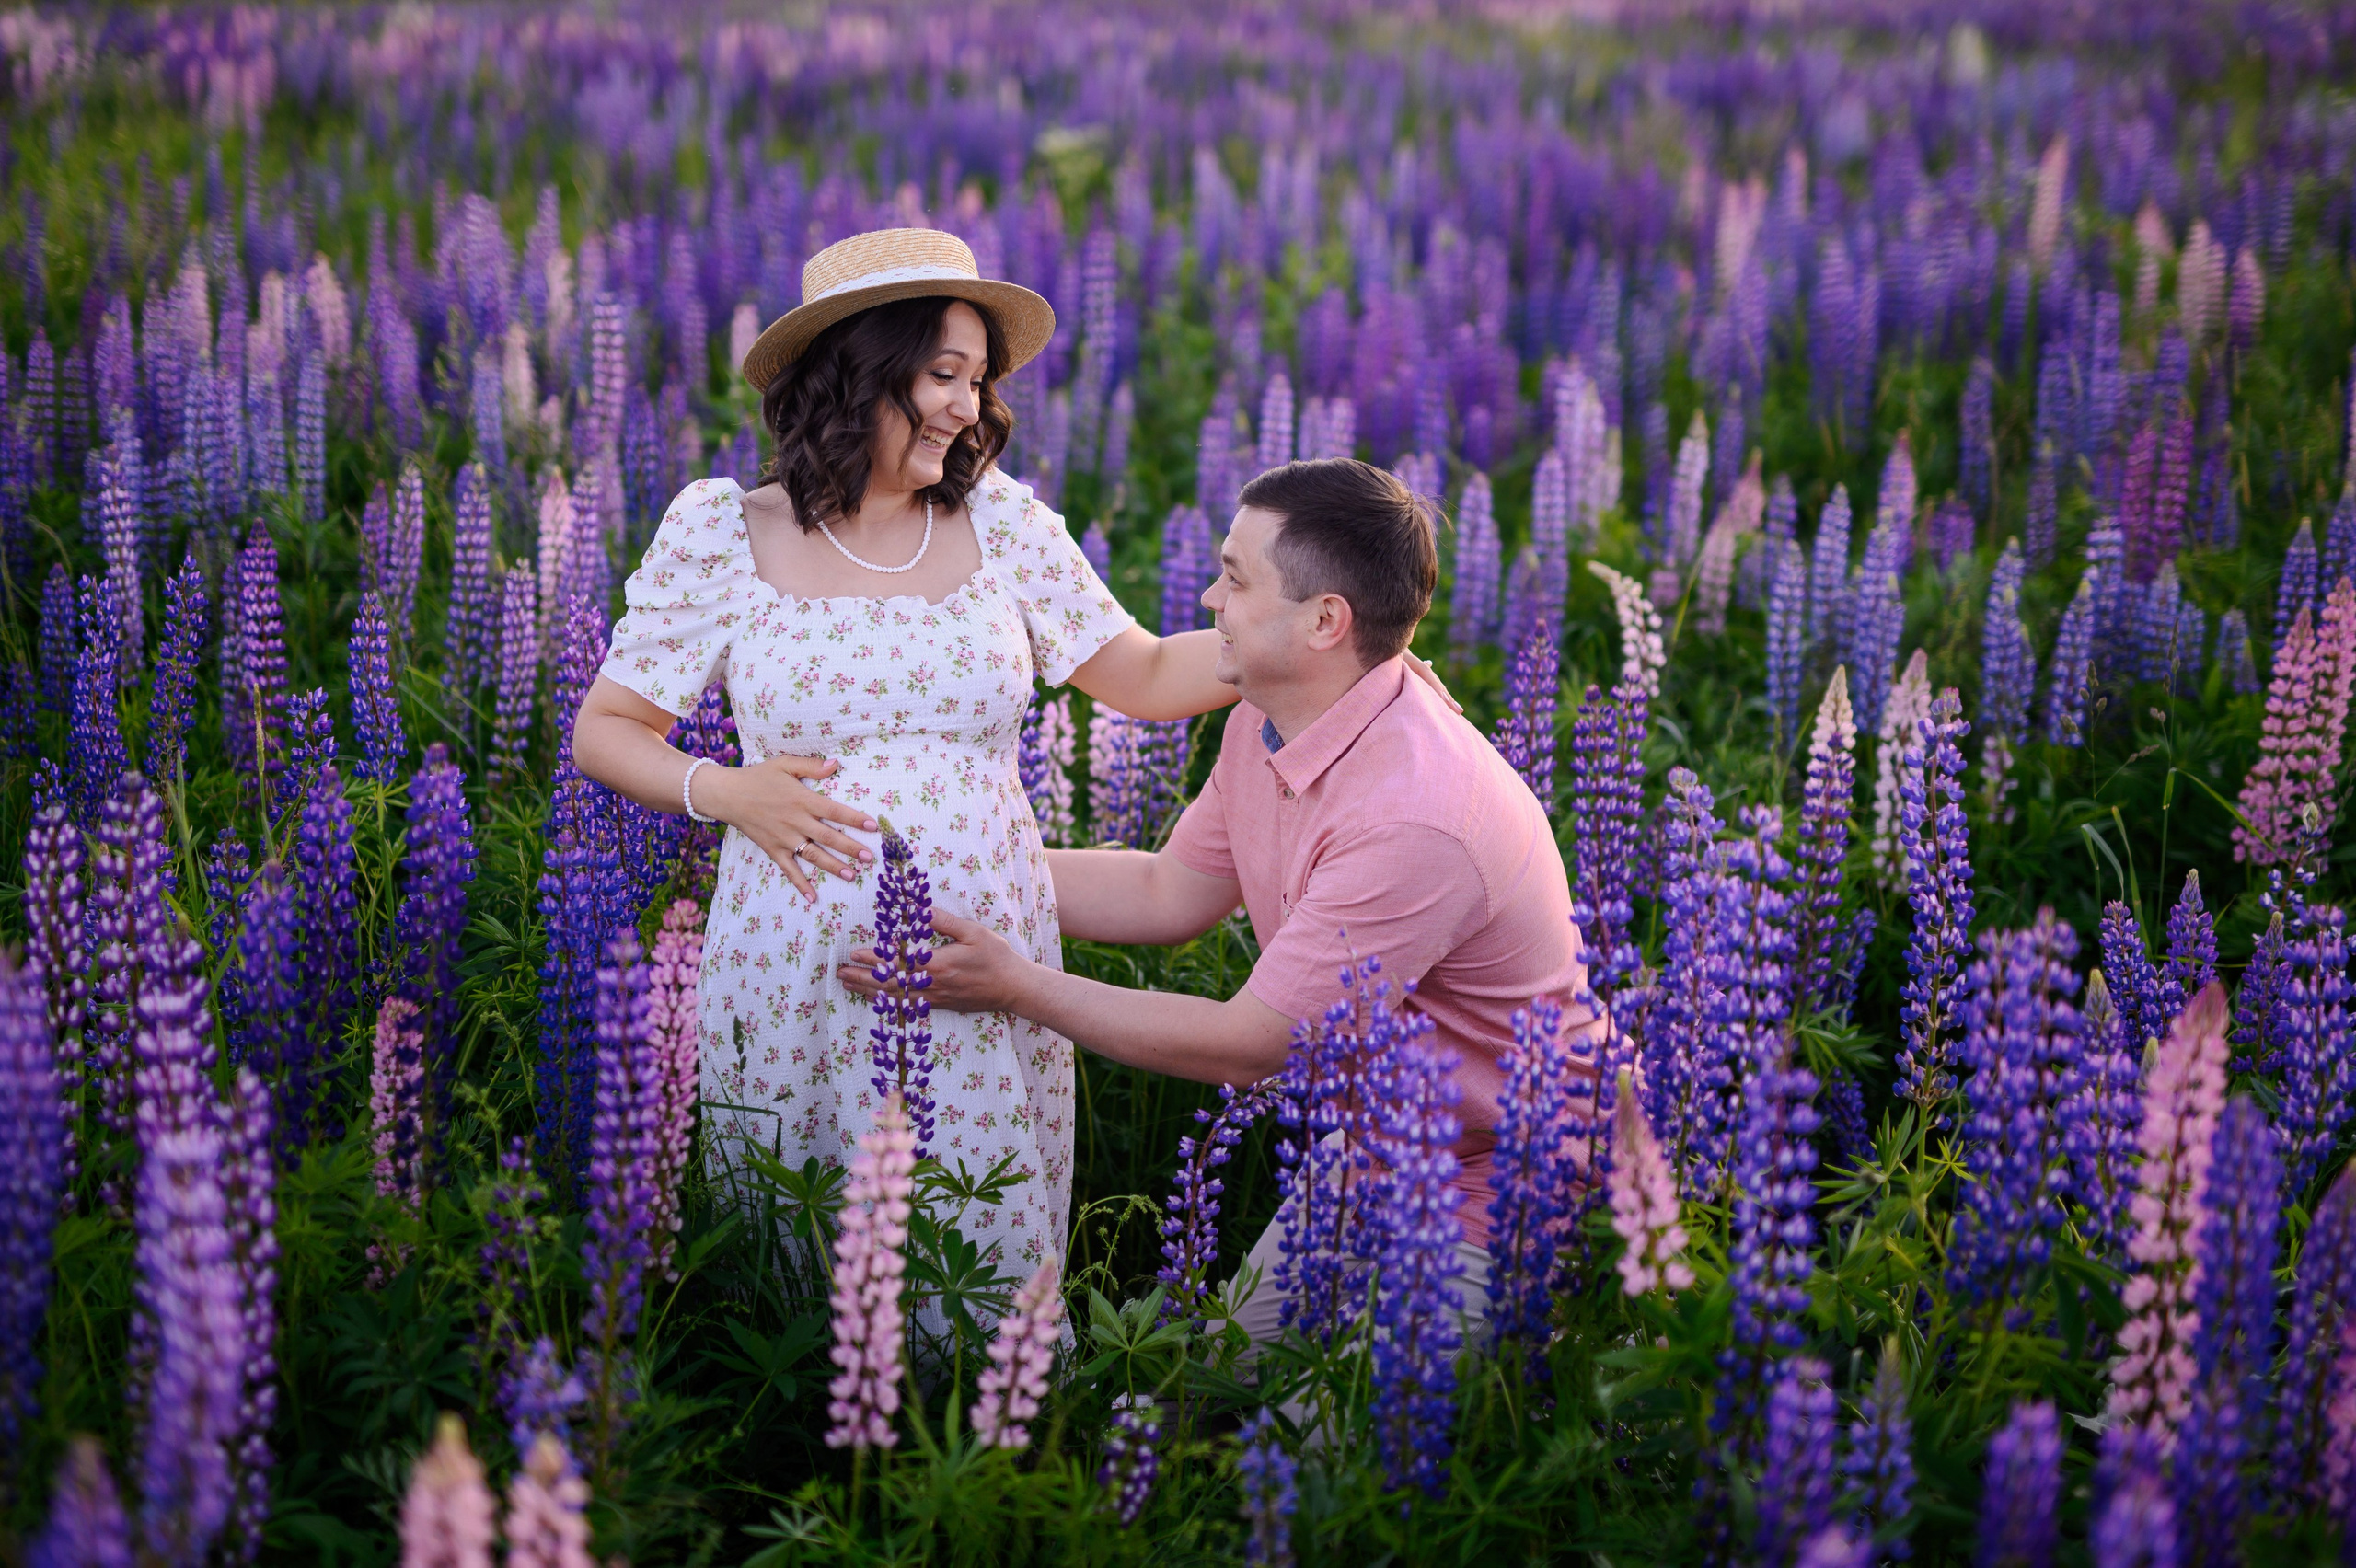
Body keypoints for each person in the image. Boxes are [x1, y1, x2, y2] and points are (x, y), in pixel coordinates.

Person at [572, 227, 1247, 1274]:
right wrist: (728, 791)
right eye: (942, 374)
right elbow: (607, 728)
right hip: (793, 966)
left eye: (977, 381)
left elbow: (1148, 674)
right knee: (798, 1267)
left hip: (981, 958)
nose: (967, 407)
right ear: (859, 371)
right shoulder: (721, 530)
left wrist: (1328, 651)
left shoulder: (1000, 524)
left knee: (974, 1257)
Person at [841, 456, 1599, 1343]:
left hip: (1515, 1177)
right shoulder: (1269, 719)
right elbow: (1167, 892)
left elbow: (1253, 1045)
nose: (1208, 599)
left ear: (1325, 621)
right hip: (1383, 1148)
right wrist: (924, 866)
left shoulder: (1417, 817)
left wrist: (1016, 986)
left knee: (1322, 1427)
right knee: (1203, 1386)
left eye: (1235, 579)